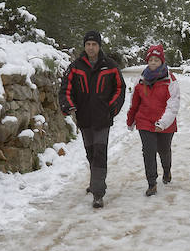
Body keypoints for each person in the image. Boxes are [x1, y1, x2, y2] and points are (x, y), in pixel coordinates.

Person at [58, 30, 125, 208]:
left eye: (94, 44)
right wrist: (68, 105)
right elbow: (65, 89)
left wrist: (112, 108)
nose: (91, 47)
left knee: (100, 153)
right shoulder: (75, 66)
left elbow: (120, 89)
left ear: (99, 45)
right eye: (88, 44)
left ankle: (98, 193)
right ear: (84, 46)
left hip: (103, 118)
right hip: (85, 118)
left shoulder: (110, 65)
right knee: (90, 153)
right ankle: (95, 182)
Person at [125, 43, 180, 196]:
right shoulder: (141, 80)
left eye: (156, 60)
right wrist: (131, 120)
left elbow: (173, 105)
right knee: (148, 152)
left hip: (165, 124)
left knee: (163, 151)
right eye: (151, 60)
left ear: (162, 61)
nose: (153, 62)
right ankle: (152, 183)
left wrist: (162, 123)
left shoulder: (171, 80)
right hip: (145, 121)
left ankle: (167, 170)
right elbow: (134, 102)